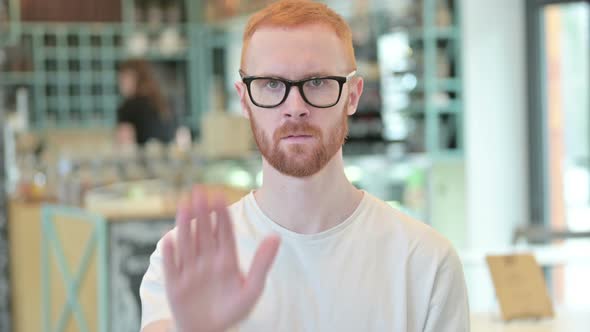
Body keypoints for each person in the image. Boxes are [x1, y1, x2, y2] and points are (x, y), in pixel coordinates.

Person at [140, 1, 470, 331]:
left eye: (317, 82)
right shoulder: (187, 260)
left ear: (353, 95)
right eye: (271, 84)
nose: (294, 107)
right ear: (244, 99)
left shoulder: (426, 262)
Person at [116, 58, 176, 146]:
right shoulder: (162, 102)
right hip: (166, 157)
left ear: (135, 78)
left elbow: (125, 143)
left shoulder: (129, 106)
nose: (120, 83)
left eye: (123, 78)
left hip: (141, 158)